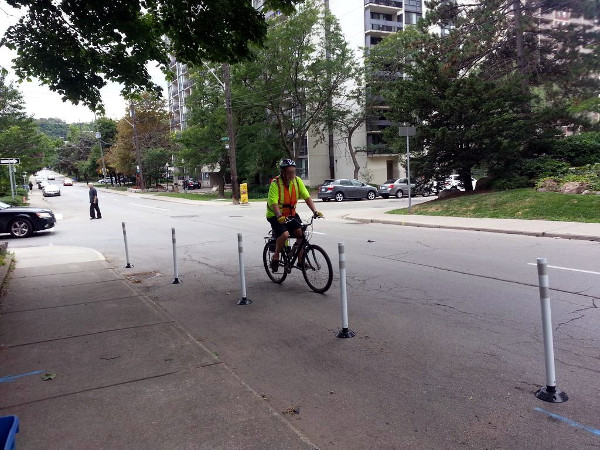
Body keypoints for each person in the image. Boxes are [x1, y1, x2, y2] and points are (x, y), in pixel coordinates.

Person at [266, 159, 323, 272]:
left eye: (294, 172)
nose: (292, 175)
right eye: (289, 172)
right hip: (275, 215)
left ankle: (301, 261)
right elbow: (273, 202)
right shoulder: (275, 183)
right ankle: (276, 256)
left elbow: (307, 198)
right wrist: (278, 215)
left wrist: (315, 211)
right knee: (285, 234)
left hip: (291, 214)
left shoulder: (297, 182)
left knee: (301, 235)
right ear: (283, 172)